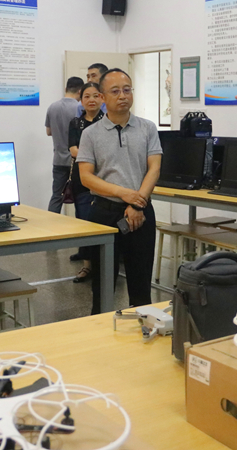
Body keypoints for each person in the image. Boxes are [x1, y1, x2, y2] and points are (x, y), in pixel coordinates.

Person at [77, 69, 162, 314]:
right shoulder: (90, 134)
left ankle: (143, 327)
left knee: (141, 283)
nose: (122, 96)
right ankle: (100, 330)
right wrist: (124, 193)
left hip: (141, 212)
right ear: (103, 97)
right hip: (104, 213)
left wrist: (136, 203)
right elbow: (86, 177)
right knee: (102, 285)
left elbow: (154, 168)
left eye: (127, 90)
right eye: (115, 91)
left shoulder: (147, 128)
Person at [68, 82, 105, 282]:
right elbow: (73, 149)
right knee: (84, 221)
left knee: (102, 222)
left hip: (104, 178)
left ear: (102, 98)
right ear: (81, 100)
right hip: (82, 179)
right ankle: (87, 265)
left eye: (95, 96)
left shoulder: (107, 121)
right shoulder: (75, 123)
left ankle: (104, 264)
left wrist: (89, 155)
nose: (91, 100)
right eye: (87, 96)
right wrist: (94, 155)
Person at [45, 76, 83, 213]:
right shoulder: (80, 108)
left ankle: (51, 224)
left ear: (66, 88)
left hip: (58, 160)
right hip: (77, 161)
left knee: (56, 196)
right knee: (80, 198)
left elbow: (48, 132)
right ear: (80, 91)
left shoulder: (52, 107)